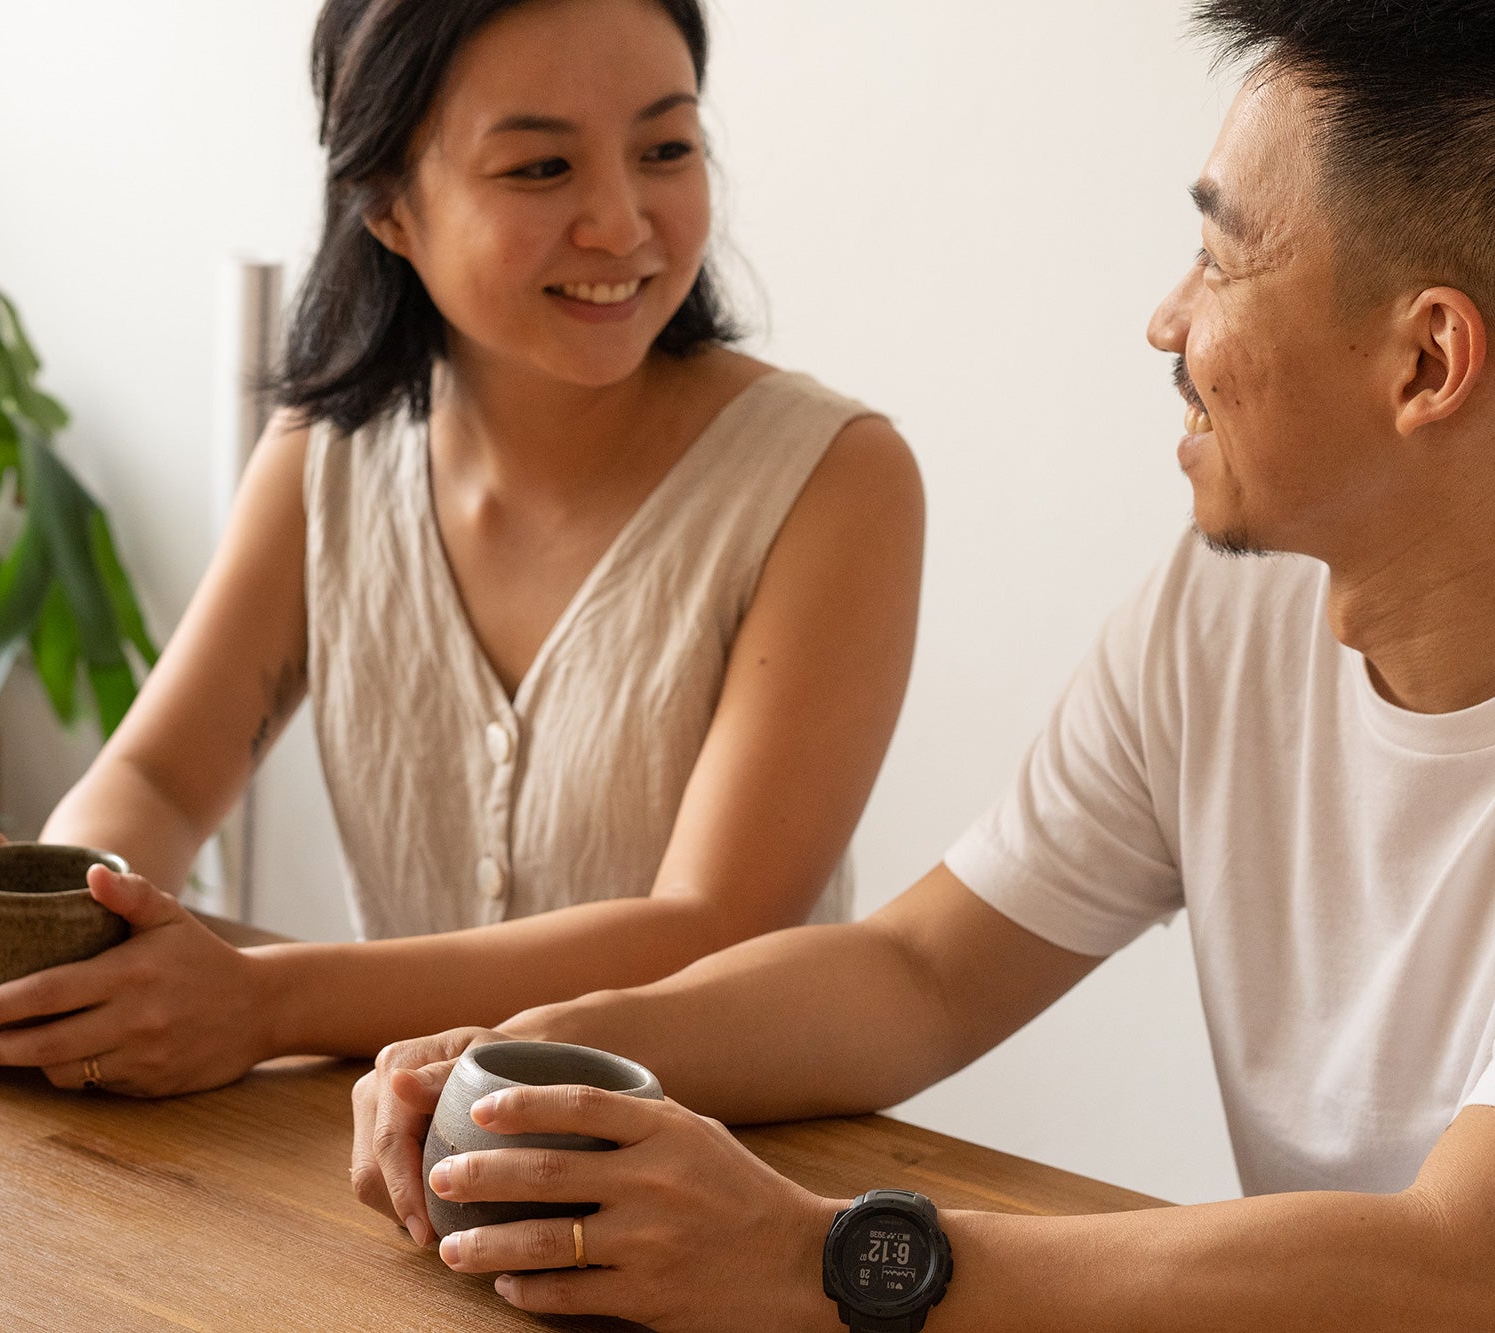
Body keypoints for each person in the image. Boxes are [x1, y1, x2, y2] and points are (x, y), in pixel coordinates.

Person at [350, 1, 1495, 1327]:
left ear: (1426, 360)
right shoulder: (1229, 609)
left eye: (1218, 259)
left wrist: (818, 1258)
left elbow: (1456, 1262)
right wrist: (534, 1063)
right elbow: (922, 973)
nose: (1166, 322)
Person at [0, 0, 923, 1101]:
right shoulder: (325, 454)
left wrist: (263, 1001)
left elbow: (712, 934)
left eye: (665, 148)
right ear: (385, 206)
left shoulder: (833, 478)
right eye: (537, 167)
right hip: (402, 1165)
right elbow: (158, 778)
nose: (621, 221)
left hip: (724, 1175)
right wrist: (56, 940)